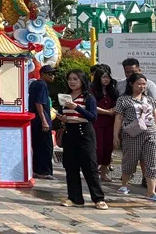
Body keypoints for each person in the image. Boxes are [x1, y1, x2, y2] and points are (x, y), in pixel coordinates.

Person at [113, 72, 156, 202]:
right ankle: (125, 185)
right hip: (132, 134)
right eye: (139, 84)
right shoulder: (123, 100)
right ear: (131, 84)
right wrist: (115, 135)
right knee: (130, 159)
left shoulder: (150, 100)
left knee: (153, 161)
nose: (142, 87)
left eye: (144, 84)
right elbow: (118, 118)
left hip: (151, 133)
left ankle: (151, 191)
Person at [59, 70, 107, 209]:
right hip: (69, 132)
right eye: (70, 79)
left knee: (90, 166)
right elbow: (62, 113)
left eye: (75, 79)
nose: (72, 81)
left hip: (84, 132)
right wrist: (62, 117)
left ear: (82, 81)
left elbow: (92, 116)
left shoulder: (88, 97)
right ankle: (74, 198)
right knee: (71, 167)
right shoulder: (65, 97)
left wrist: (77, 107)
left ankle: (98, 198)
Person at [118, 58, 156, 185]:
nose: (129, 74)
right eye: (127, 72)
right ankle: (126, 181)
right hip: (130, 130)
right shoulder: (120, 86)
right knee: (130, 157)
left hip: (149, 129)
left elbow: (155, 107)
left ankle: (147, 182)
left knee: (149, 157)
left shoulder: (149, 85)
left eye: (132, 71)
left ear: (139, 69)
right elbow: (118, 112)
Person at [91, 66, 119, 182]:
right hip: (97, 123)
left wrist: (113, 110)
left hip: (110, 123)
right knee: (98, 149)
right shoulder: (92, 90)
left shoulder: (112, 90)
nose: (106, 80)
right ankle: (93, 173)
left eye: (108, 77)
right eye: (104, 77)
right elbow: (91, 106)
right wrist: (107, 112)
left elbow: (118, 104)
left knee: (108, 149)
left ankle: (103, 173)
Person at [28, 65, 56, 180]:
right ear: (43, 74)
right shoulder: (42, 84)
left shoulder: (34, 84)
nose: (53, 76)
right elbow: (39, 103)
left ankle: (36, 170)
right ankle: (44, 172)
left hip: (35, 120)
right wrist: (44, 120)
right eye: (50, 74)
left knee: (37, 146)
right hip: (41, 120)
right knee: (46, 147)